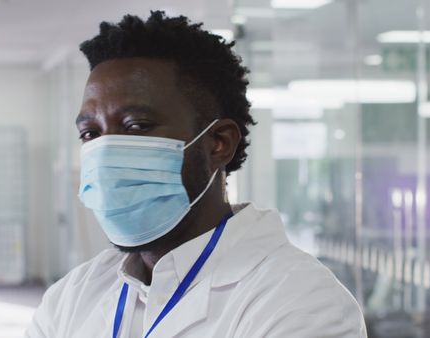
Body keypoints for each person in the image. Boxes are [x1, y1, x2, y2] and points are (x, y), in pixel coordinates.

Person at [26, 11, 366, 338]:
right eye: (90, 134)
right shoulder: (71, 297)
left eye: (137, 126)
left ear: (219, 143)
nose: (106, 151)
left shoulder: (301, 302)